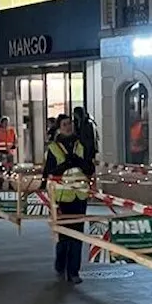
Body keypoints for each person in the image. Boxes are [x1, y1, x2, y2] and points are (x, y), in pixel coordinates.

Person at [41, 114, 95, 285]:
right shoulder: (53, 148)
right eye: (64, 124)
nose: (68, 126)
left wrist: (78, 161)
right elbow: (49, 173)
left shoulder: (81, 144)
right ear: (59, 127)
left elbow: (89, 168)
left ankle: (74, 271)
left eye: (70, 123)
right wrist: (65, 165)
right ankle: (60, 265)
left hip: (79, 195)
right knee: (64, 235)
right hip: (62, 196)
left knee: (77, 234)